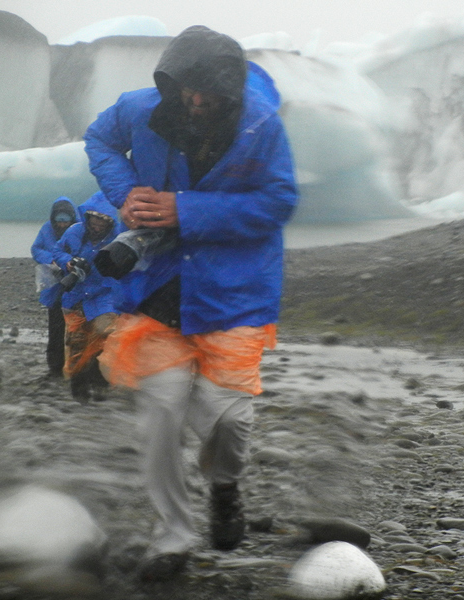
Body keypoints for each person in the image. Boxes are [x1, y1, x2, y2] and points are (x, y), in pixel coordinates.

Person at [83, 25, 298, 581]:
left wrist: (188, 210)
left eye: (210, 94)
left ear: (231, 90)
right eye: (187, 90)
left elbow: (278, 200)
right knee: (161, 412)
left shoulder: (260, 125)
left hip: (234, 288)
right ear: (170, 81)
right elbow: (100, 139)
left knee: (228, 418)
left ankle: (224, 486)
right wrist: (124, 193)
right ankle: (172, 538)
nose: (197, 101)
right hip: (156, 284)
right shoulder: (138, 109)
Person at [52, 192, 121, 402]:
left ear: (110, 220)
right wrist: (68, 262)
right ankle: (78, 387)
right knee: (76, 342)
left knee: (105, 335)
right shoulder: (75, 231)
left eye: (103, 220)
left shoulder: (118, 237)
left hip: (105, 294)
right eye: (94, 219)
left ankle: (100, 382)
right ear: (88, 216)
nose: (97, 224)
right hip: (76, 295)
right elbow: (57, 250)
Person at [31, 197, 77, 377]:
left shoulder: (79, 229)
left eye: (66, 219)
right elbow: (36, 249)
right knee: (56, 327)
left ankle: (76, 365)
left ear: (72, 218)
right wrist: (50, 259)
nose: (62, 224)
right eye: (59, 220)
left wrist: (69, 263)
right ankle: (55, 366)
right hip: (55, 286)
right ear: (53, 218)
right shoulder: (46, 229)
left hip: (76, 286)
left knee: (77, 328)